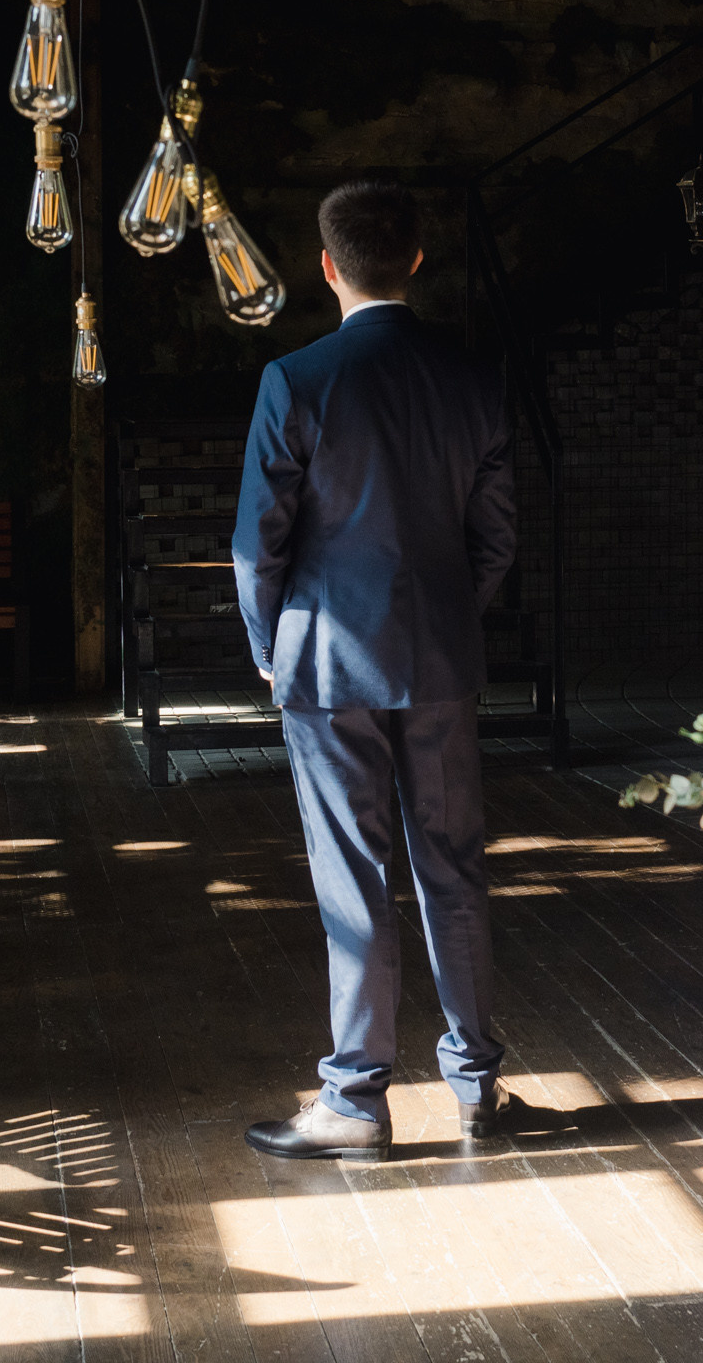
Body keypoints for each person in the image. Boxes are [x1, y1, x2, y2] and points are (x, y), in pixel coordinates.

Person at [234, 179, 522, 1161]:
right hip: (438, 657)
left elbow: (257, 544)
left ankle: (355, 1100)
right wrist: (446, 616)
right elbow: (496, 539)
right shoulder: (473, 378)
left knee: (351, 878)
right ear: (416, 260)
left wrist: (267, 647)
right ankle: (476, 1087)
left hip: (326, 662)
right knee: (454, 866)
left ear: (327, 267)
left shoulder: (295, 379)